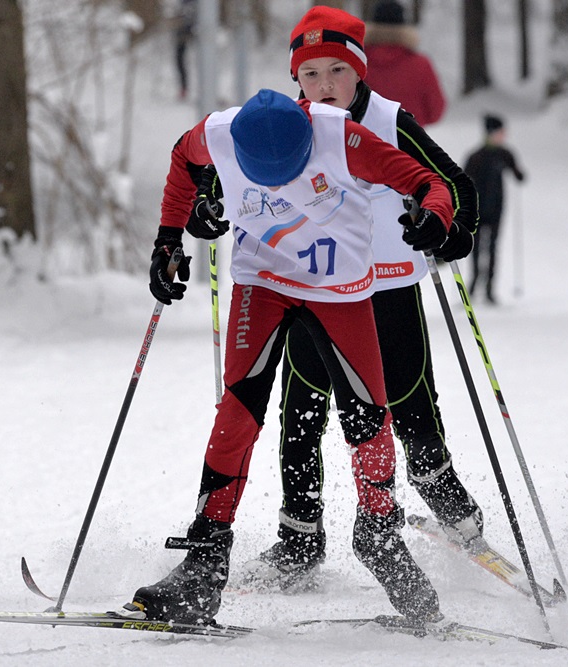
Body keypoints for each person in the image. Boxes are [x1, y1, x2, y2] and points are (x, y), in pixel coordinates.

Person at [116, 87, 460, 627]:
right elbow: (183, 161)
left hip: (339, 289)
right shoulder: (220, 133)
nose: (278, 184)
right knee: (238, 410)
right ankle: (204, 563)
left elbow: (427, 182)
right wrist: (167, 240)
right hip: (263, 280)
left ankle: (378, 535)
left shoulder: (342, 137)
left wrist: (435, 216)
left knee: (369, 421)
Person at [239, 5, 485, 592]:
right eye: (312, 74)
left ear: (360, 70)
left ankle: (458, 519)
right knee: (300, 415)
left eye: (338, 72)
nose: (325, 87)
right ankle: (298, 542)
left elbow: (457, 187)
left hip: (386, 291)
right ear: (295, 79)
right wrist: (206, 208)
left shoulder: (388, 120)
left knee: (411, 413)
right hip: (311, 293)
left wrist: (445, 228)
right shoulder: (285, 125)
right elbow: (229, 176)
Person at [462, 114, 526, 304]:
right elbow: (463, 179)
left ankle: (490, 288)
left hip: (497, 208)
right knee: (475, 247)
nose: (503, 136)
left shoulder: (505, 154)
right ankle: (473, 285)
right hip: (477, 209)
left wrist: (518, 173)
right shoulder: (476, 156)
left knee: (492, 247)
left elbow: (518, 174)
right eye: (500, 132)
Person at [362, 0, 446, 127]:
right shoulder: (421, 64)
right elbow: (435, 110)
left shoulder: (356, 63)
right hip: (411, 141)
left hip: (364, 140)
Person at [173, 0, 196, 100]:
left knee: (207, 59)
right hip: (183, 28)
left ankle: (210, 89)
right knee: (180, 59)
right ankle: (184, 88)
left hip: (198, 25)